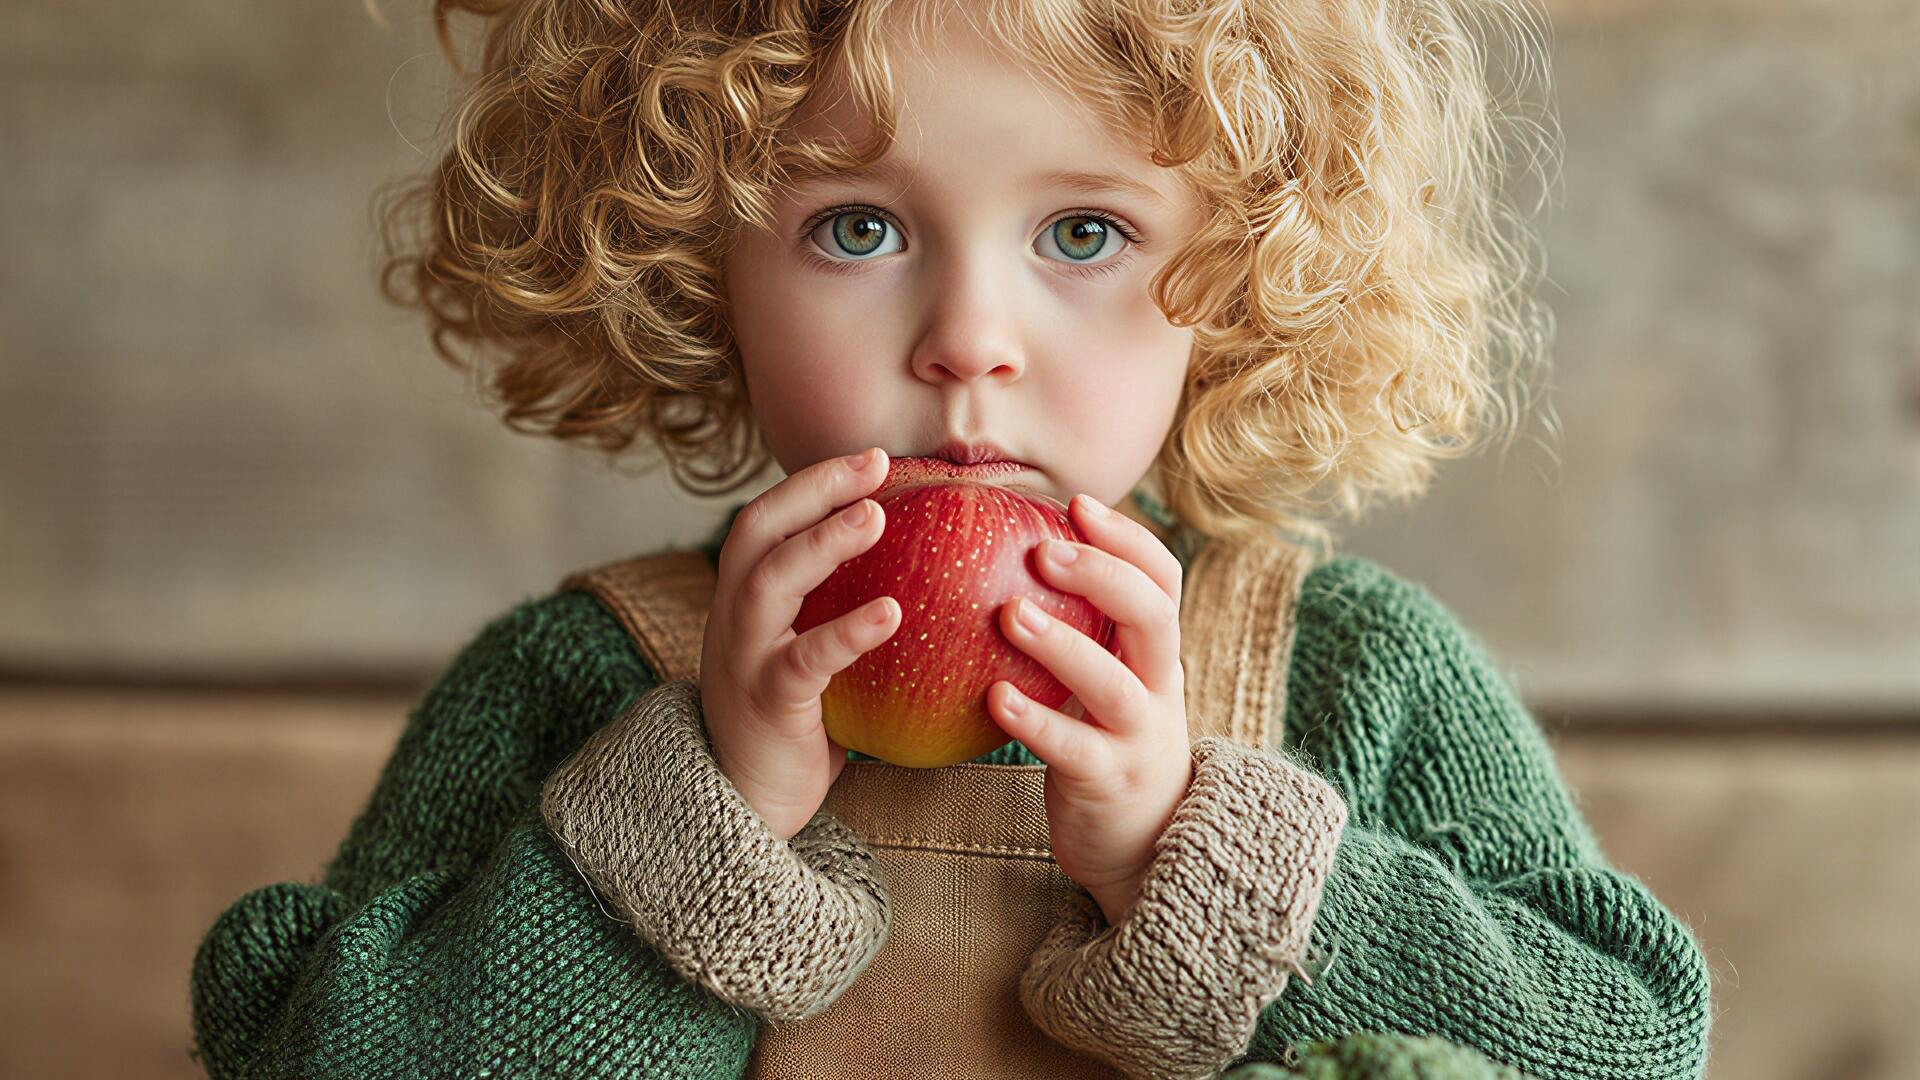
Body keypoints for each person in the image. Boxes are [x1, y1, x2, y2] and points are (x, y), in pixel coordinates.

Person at [189, 1, 1712, 1077]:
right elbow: (300, 1050)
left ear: (1247, 280)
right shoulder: (580, 677)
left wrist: (1196, 849)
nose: (969, 342)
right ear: (693, 260)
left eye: (1084, 234)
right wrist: (695, 826)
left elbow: (1629, 1046)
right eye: (860, 228)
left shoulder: (1353, 675)